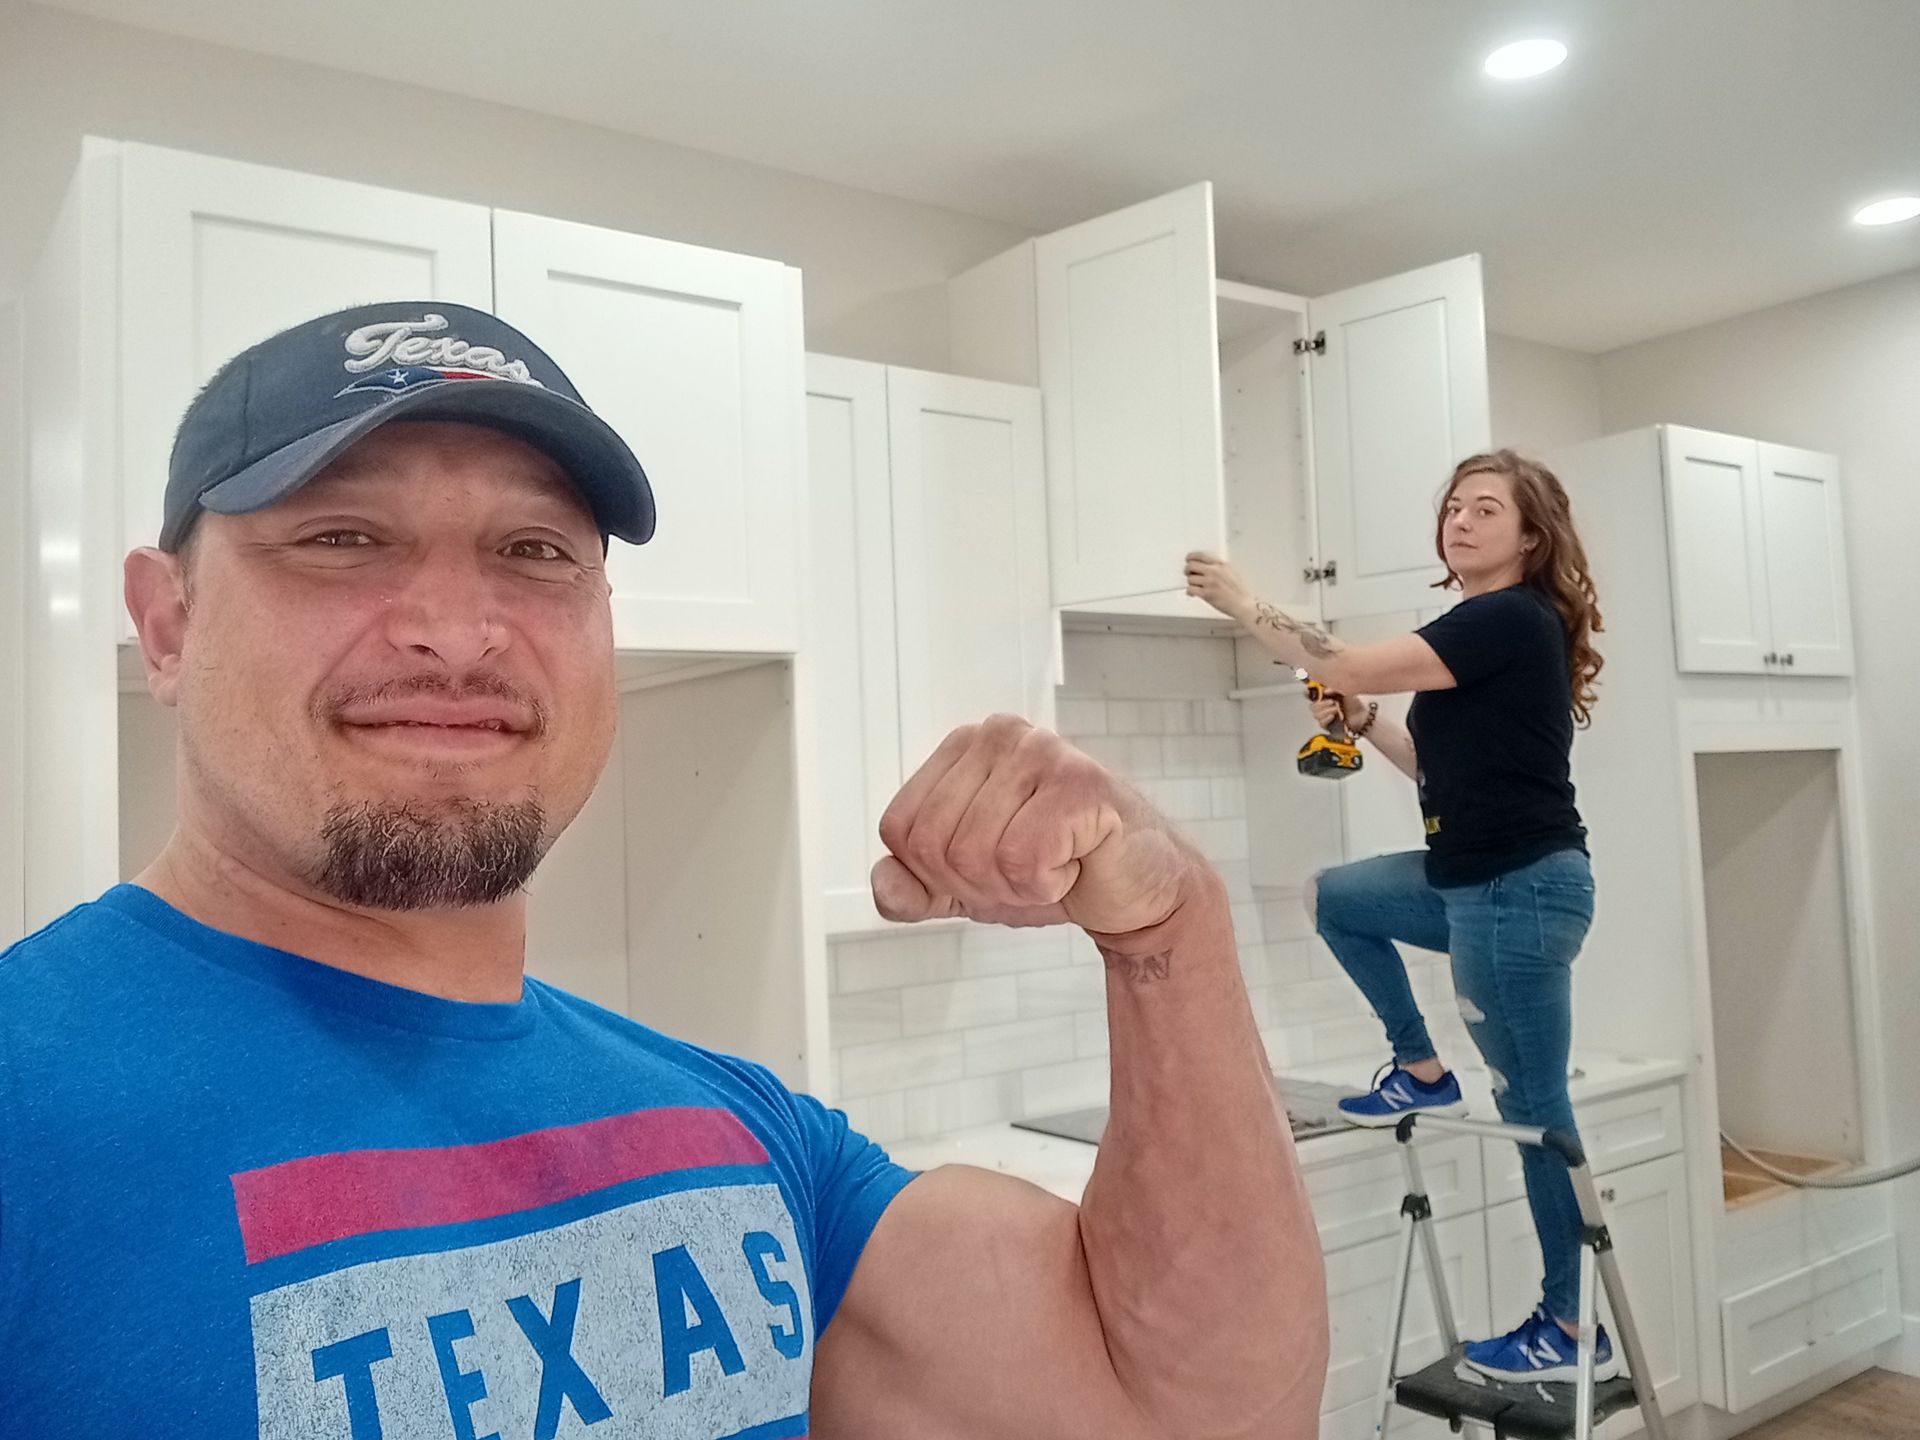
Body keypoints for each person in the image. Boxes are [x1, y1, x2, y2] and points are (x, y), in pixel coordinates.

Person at [0, 301, 1328, 1438]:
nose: (459, 633)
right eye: (344, 538)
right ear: (166, 625)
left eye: (536, 553)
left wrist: (1171, 929)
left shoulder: (740, 1136)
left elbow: (1194, 1413)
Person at [1184, 450, 1609, 1386]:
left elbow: (1329, 652)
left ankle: (1572, 1328)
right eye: (1453, 507)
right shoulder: (1477, 626)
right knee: (1334, 898)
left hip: (1517, 890)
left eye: (1485, 509)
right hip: (1467, 878)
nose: (1459, 521)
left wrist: (1243, 599)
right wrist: (1370, 722)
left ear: (1530, 538)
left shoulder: (1507, 616)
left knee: (1535, 1113)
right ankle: (1419, 1068)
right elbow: (1440, 770)